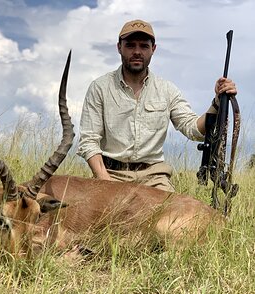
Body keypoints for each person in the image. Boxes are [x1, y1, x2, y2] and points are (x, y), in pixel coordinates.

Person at [77, 19, 237, 192]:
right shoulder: (100, 87)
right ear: (119, 47)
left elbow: (193, 129)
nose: (137, 52)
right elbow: (88, 142)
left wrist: (217, 102)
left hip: (154, 177)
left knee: (173, 216)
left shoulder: (166, 89)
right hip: (111, 174)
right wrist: (106, 184)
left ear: (153, 49)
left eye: (144, 46)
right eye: (130, 45)